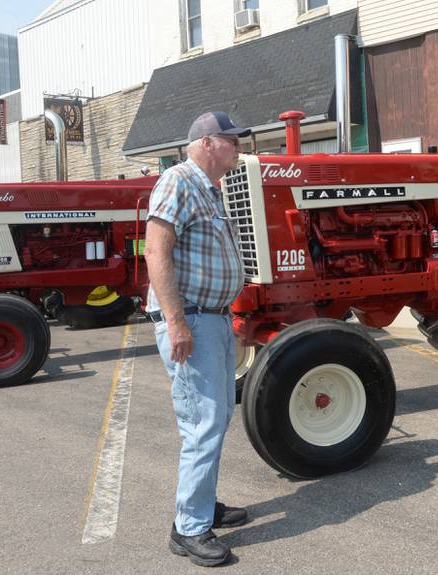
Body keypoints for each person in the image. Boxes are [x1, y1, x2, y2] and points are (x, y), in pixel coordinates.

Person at [144, 111, 250, 567]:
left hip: (212, 319)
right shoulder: (178, 181)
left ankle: (201, 506)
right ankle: (189, 528)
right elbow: (156, 250)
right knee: (202, 422)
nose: (240, 147)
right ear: (208, 143)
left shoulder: (210, 189)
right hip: (190, 319)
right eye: (233, 140)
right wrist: (176, 323)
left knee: (217, 414)